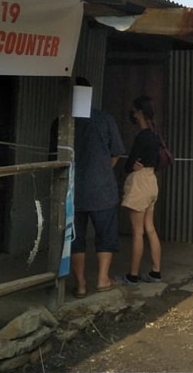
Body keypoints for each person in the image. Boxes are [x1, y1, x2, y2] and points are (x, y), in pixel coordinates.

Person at [68, 77, 125, 298]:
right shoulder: (104, 119)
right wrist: (102, 170)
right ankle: (103, 280)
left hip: (73, 190)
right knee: (105, 235)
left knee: (76, 238)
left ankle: (81, 285)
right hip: (103, 190)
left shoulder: (62, 121)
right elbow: (116, 152)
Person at [120, 95, 163, 285]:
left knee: (137, 232)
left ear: (139, 112)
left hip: (140, 182)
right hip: (152, 180)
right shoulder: (155, 135)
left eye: (134, 111)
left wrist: (130, 166)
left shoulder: (142, 136)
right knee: (150, 228)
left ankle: (133, 275)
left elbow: (129, 163)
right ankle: (155, 271)